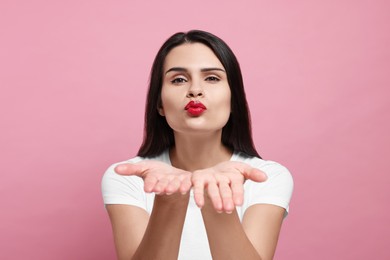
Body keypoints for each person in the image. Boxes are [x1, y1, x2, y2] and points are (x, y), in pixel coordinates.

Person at [101, 30, 293, 260]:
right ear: (159, 104)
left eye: (212, 78)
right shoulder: (129, 177)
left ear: (234, 101)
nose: (195, 90)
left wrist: (217, 198)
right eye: (178, 80)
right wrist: (169, 199)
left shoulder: (267, 176)